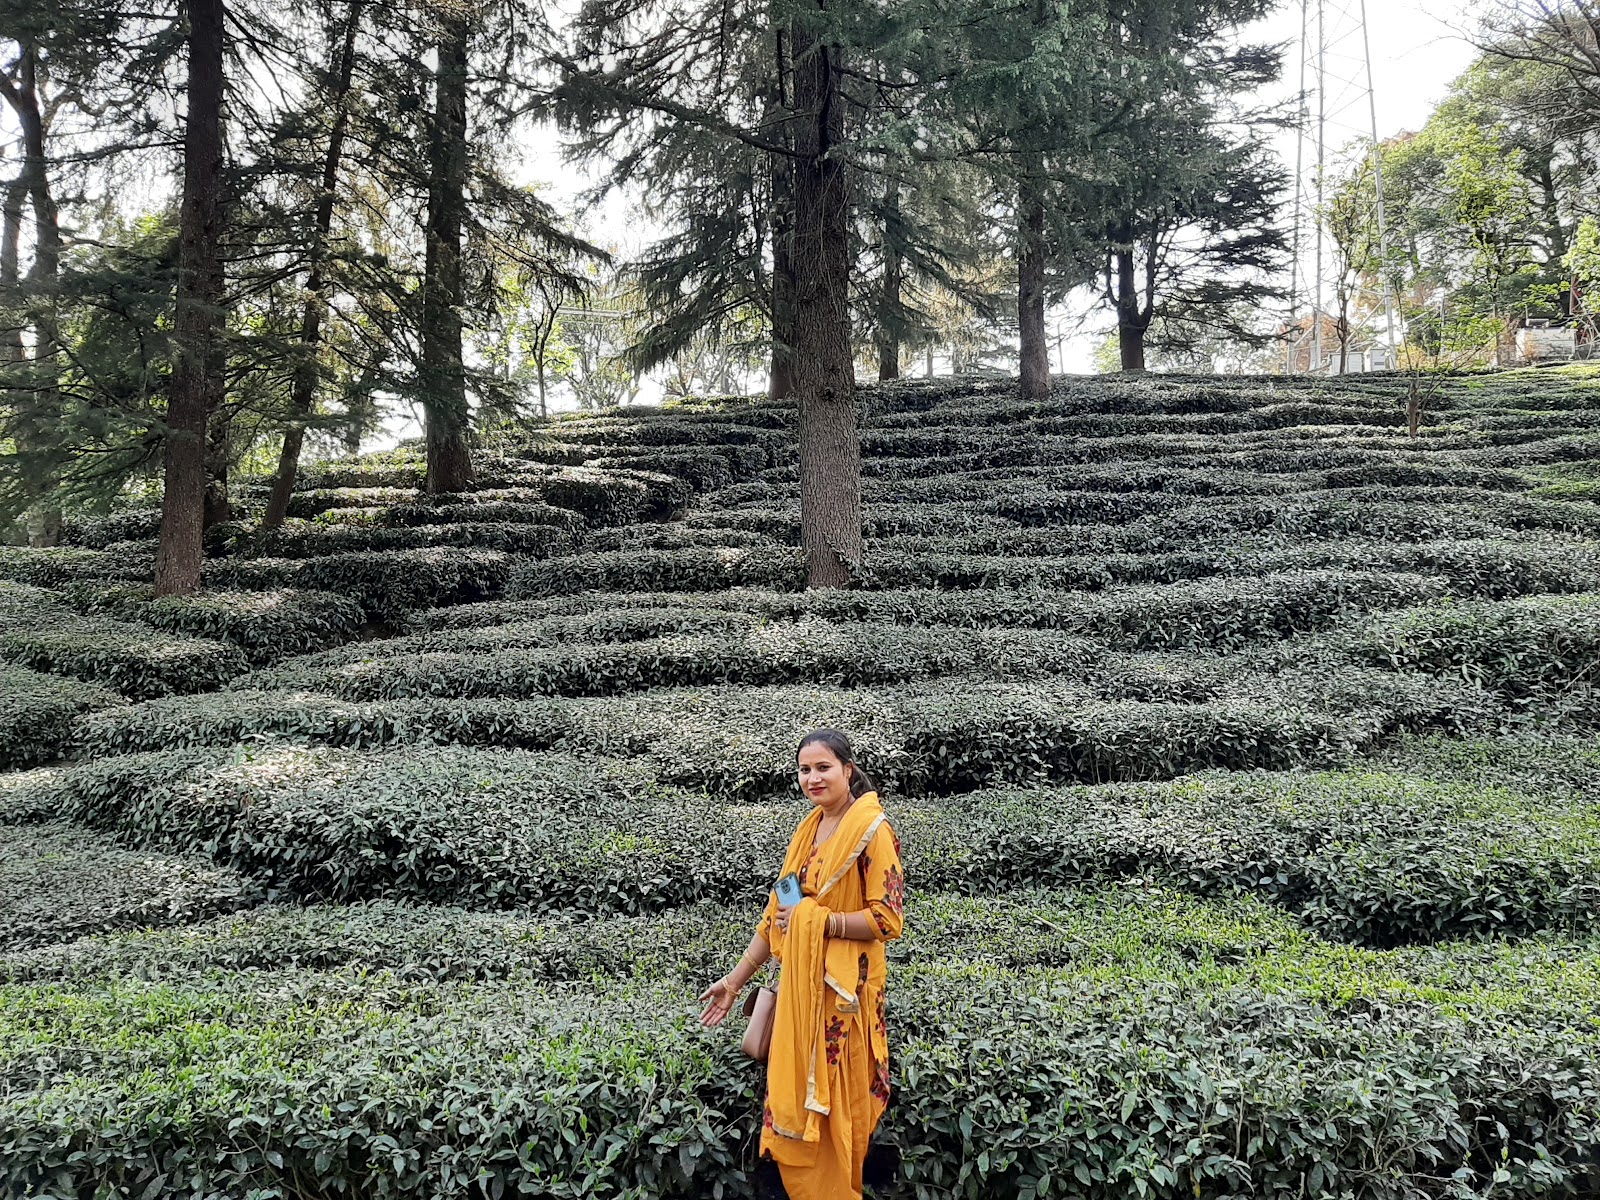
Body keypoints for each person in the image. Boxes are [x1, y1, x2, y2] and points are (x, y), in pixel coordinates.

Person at [699, 729, 906, 1200]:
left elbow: (886, 918)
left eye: (823, 767)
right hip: (800, 990)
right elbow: (782, 916)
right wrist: (734, 982)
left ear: (848, 770)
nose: (812, 778)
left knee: (839, 1109)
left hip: (845, 999)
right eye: (804, 769)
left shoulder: (872, 831)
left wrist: (823, 921)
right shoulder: (808, 831)